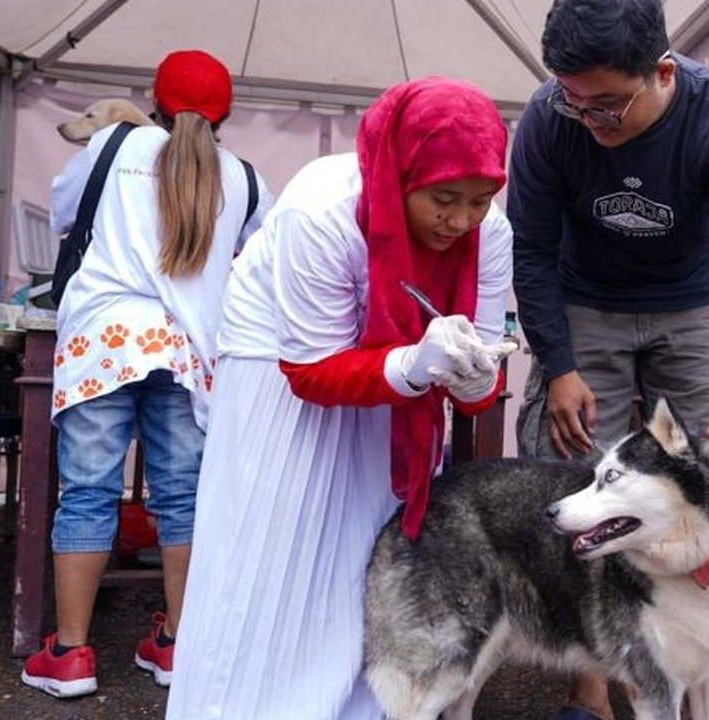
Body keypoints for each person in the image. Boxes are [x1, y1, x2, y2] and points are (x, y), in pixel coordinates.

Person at [166, 76, 514, 720]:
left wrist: (472, 379)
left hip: (386, 400)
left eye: (480, 198)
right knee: (270, 557)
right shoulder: (322, 210)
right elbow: (311, 371)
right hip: (279, 376)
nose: (462, 219)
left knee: (369, 563)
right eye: (444, 198)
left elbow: (482, 373)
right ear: (402, 172)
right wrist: (412, 365)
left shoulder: (490, 231)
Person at [509, 1, 709, 718]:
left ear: (662, 72)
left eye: (606, 105)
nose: (587, 119)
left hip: (690, 307)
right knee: (568, 477)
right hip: (584, 300)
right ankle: (590, 689)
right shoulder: (546, 119)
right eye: (573, 100)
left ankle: (695, 670)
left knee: (706, 482)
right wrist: (558, 364)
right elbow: (530, 251)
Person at [20, 49, 273, 698]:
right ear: (228, 114)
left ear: (152, 98)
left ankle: (70, 654)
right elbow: (256, 261)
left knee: (88, 492)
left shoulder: (112, 145)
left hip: (104, 341)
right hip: (188, 351)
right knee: (184, 498)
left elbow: (65, 218)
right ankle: (177, 644)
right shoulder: (244, 178)